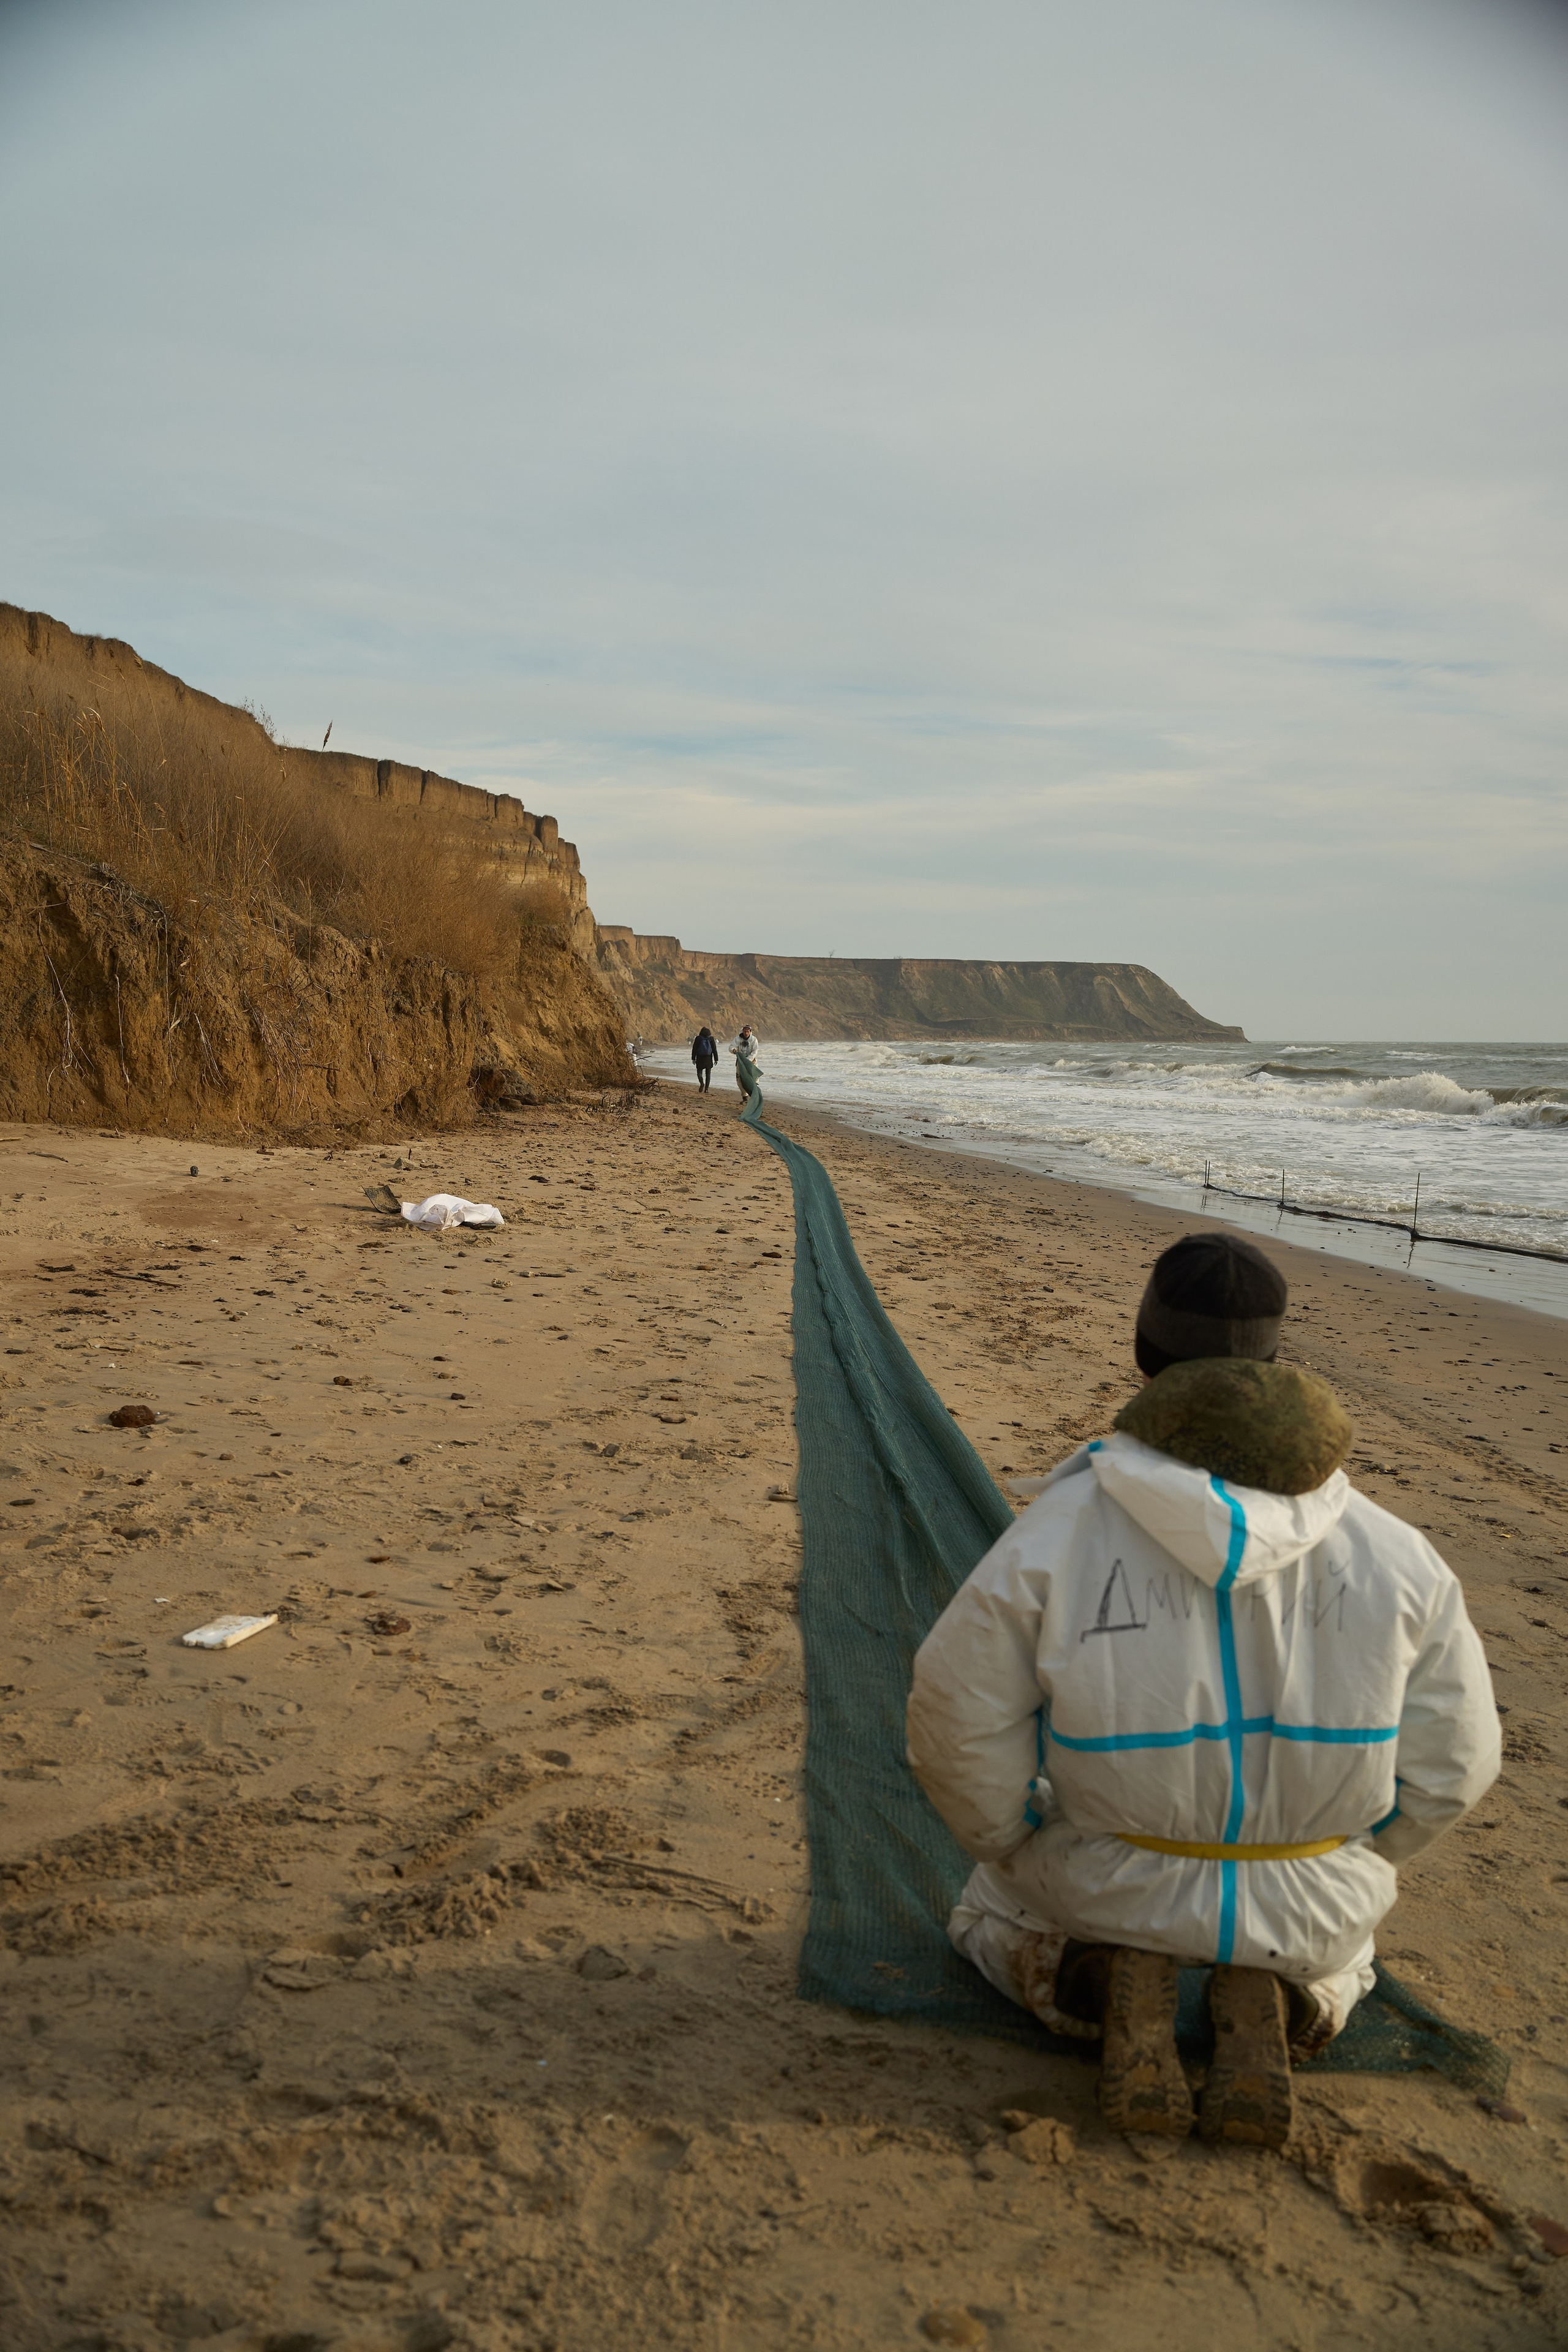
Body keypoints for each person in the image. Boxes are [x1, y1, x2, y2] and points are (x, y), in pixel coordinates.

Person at [906, 1231, 1499, 2148]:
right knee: (1349, 1956)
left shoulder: (1063, 1527)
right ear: (1272, 1357)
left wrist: (1013, 1837)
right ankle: (1299, 1999)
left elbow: (954, 1716)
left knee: (985, 1910)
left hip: (1104, 1880)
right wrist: (1365, 1853)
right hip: (1310, 1897)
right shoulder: (1396, 1553)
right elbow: (1458, 1763)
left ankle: (1091, 1977)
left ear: (1146, 1356)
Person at [730, 1023, 761, 1097]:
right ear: (742, 1031)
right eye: (745, 1032)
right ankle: (745, 1096)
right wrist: (733, 1050)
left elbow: (755, 1052)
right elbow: (732, 1046)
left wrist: (748, 1060)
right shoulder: (738, 1039)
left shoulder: (754, 1040)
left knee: (754, 1079)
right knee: (740, 1079)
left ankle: (755, 1094)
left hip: (751, 1063)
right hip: (740, 1063)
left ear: (750, 1032)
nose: (746, 1033)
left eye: (748, 1032)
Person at [691, 1026, 718, 1092]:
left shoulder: (698, 1038)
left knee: (699, 1072)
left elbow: (694, 1049)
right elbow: (714, 1049)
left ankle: (702, 1083)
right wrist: (716, 1059)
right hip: (708, 1059)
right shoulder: (711, 1039)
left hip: (700, 1058)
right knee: (708, 1074)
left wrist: (693, 1058)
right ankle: (706, 1089)